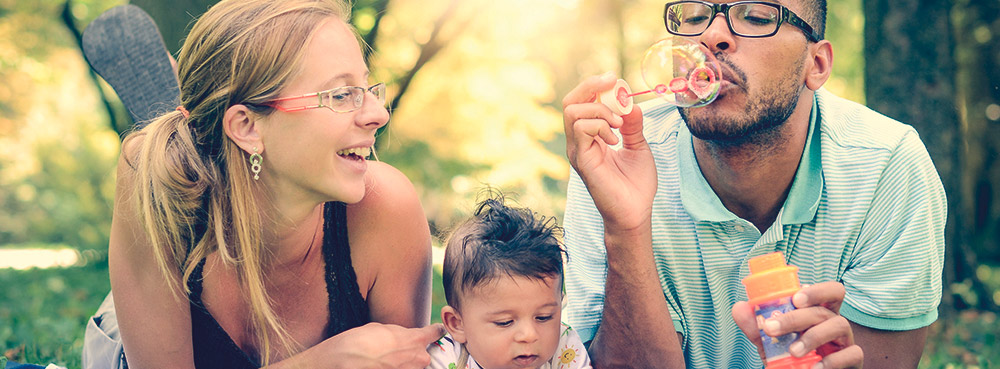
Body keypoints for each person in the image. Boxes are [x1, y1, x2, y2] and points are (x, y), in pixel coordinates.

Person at [560, 1, 946, 368]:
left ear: (817, 64)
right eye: (694, 16)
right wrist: (626, 228)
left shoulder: (884, 165)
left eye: (758, 16)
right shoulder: (616, 154)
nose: (711, 35)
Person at [84, 0, 445, 368]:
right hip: (132, 333)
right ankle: (181, 128)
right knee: (156, 162)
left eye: (368, 88)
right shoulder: (150, 184)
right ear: (248, 127)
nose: (378, 114)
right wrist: (323, 362)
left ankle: (191, 119)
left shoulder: (386, 207)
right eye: (341, 95)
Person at [428, 193, 592, 369]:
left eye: (544, 317)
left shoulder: (565, 348)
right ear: (457, 323)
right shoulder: (443, 359)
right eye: (505, 322)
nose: (529, 335)